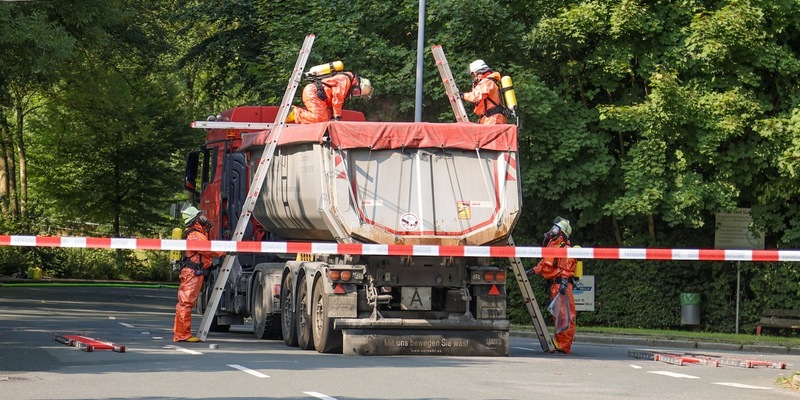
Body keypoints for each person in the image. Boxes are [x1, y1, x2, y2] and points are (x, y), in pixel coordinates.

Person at [173, 206, 227, 342]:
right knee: (185, 303)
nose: (204, 217)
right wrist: (224, 251)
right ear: (196, 219)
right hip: (192, 273)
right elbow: (207, 250)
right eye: (200, 215)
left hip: (194, 272)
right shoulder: (195, 235)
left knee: (186, 303)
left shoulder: (196, 234)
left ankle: (182, 333)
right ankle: (182, 334)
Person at [528, 217, 577, 354]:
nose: (552, 230)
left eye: (556, 228)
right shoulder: (553, 246)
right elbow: (545, 263)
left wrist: (563, 282)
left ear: (562, 233)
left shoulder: (566, 248)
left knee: (566, 316)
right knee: (558, 316)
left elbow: (567, 267)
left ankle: (564, 345)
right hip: (555, 285)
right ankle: (559, 342)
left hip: (562, 285)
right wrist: (533, 271)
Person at [288, 71, 373, 124]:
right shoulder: (345, 80)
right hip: (313, 93)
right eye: (357, 92)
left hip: (316, 95)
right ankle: (294, 113)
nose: (354, 94)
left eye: (357, 94)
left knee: (323, 120)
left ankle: (295, 113)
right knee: (321, 120)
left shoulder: (346, 80)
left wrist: (334, 116)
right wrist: (337, 117)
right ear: (357, 84)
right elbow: (337, 98)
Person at [459, 59, 508, 124]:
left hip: (493, 120)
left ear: (477, 73)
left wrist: (462, 95)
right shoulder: (492, 81)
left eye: (473, 74)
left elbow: (475, 96)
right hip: (494, 118)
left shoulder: (487, 82)